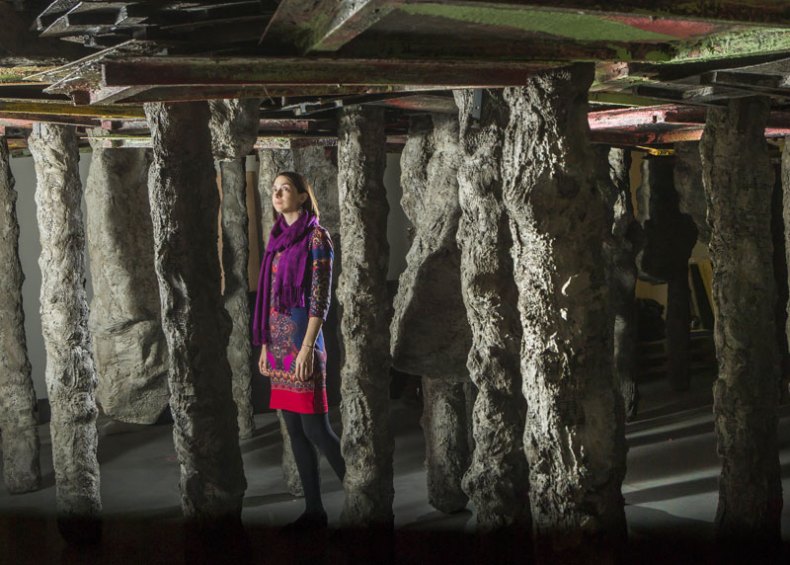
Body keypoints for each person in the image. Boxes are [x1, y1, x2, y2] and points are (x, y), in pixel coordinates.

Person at [252, 171, 345, 529]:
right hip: (277, 348)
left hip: (304, 345)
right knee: (294, 433)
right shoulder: (276, 240)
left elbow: (320, 299)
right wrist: (264, 346)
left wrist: (307, 348)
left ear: (303, 196)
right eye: (273, 189)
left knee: (317, 431)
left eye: (285, 188)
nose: (277, 194)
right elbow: (269, 298)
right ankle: (314, 511)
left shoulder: (317, 237)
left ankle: (364, 495)